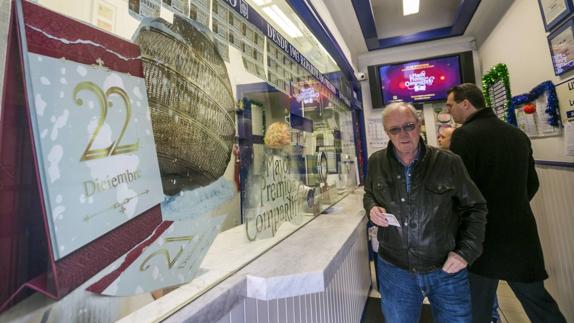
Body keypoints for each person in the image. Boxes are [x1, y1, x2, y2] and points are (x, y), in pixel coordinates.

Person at [446, 83, 566, 323]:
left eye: (451, 105)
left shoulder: (464, 135)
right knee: (539, 303)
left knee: (477, 307)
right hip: (520, 234)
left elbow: (461, 189)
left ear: (465, 103)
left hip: (482, 236)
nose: (449, 112)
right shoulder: (517, 134)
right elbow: (532, 184)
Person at [363, 102, 487, 323]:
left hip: (446, 269)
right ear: (387, 133)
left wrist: (466, 252)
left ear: (419, 125)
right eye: (395, 129)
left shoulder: (448, 162)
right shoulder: (376, 162)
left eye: (409, 126)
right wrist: (372, 208)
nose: (403, 134)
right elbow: (369, 194)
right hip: (395, 269)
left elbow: (475, 207)